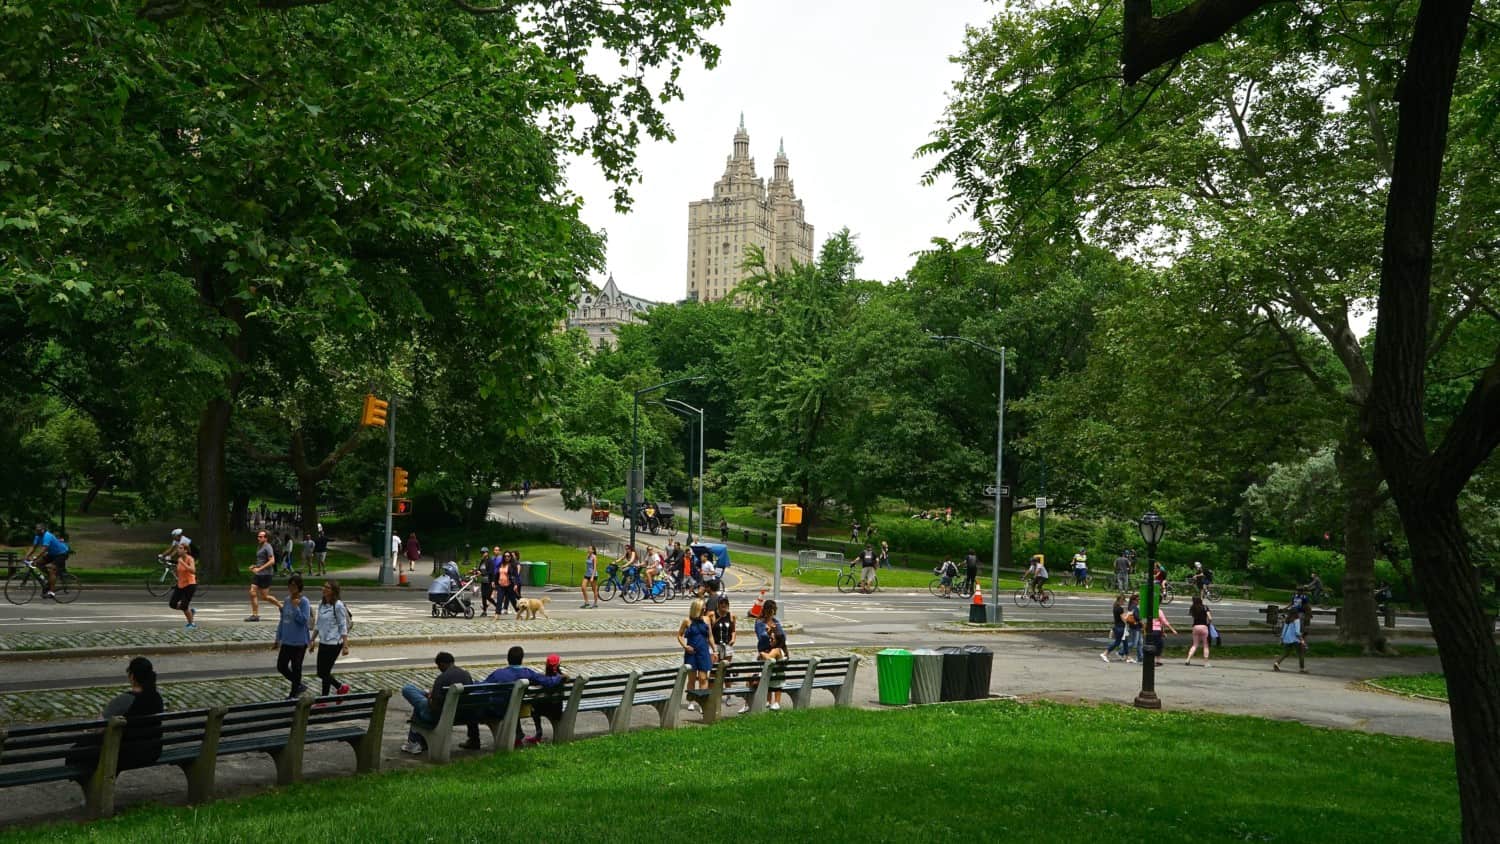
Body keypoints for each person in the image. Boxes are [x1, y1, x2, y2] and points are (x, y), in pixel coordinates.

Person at [67, 656, 165, 774]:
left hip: (125, 754)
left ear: (132, 676)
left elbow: (98, 727)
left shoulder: (124, 700)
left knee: (76, 752)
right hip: (152, 752)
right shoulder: (157, 698)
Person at [483, 646, 565, 747]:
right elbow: (547, 681)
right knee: (515, 703)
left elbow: (482, 687)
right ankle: (518, 735)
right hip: (517, 707)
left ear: (508, 659)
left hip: (500, 708)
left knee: (509, 703)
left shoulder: (498, 674)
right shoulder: (527, 673)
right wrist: (559, 677)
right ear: (521, 659)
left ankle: (517, 735)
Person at [401, 652, 479, 754]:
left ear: (442, 664)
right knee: (421, 697)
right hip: (464, 714)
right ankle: (474, 739)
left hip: (441, 715)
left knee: (408, 690)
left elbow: (434, 706)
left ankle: (415, 742)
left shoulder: (442, 678)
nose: (439, 669)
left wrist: (429, 699)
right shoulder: (466, 675)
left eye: (438, 666)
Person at [273, 574, 314, 698]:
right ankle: (298, 685)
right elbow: (283, 620)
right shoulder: (286, 600)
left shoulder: (304, 602)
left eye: (294, 586)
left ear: (299, 587)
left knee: (296, 667)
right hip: (287, 640)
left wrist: (296, 608)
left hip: (299, 641)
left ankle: (293, 693)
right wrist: (278, 637)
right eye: (290, 585)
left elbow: (304, 620)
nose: (292, 588)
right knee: (281, 666)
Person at [312, 580, 351, 697]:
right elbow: (318, 623)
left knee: (324, 672)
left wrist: (345, 645)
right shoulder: (321, 604)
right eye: (324, 587)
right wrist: (312, 639)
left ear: (333, 591)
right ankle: (339, 688)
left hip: (335, 643)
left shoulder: (338, 605)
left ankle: (325, 697)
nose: (324, 589)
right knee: (321, 672)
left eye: (327, 588)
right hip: (324, 641)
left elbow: (342, 625)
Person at [751, 599, 788, 712]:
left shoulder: (776, 621)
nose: (771, 613)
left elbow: (782, 637)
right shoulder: (759, 622)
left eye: (773, 611)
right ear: (765, 610)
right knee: (768, 672)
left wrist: (775, 631)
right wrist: (768, 633)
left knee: (774, 672)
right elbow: (761, 637)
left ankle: (775, 702)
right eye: (769, 611)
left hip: (772, 652)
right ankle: (767, 701)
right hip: (765, 650)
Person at [678, 599, 713, 711]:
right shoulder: (687, 621)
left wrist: (714, 649)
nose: (704, 608)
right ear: (696, 608)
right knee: (692, 679)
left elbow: (710, 636)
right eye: (702, 607)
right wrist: (685, 646)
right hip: (691, 653)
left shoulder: (707, 619)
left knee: (703, 678)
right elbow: (679, 635)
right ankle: (691, 701)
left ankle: (702, 701)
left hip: (703, 652)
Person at [23, 522, 70, 599]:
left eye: (39, 530)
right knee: (38, 564)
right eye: (36, 530)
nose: (37, 532)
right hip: (52, 554)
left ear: (43, 530)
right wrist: (26, 556)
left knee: (52, 569)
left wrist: (35, 557)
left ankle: (51, 592)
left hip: (61, 553)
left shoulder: (47, 536)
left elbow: (44, 549)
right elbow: (33, 547)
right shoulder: (37, 536)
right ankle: (50, 579)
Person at [246, 530, 283, 622]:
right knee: (252, 592)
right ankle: (255, 615)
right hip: (258, 574)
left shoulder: (268, 547)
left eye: (261, 536)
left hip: (266, 574)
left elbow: (272, 561)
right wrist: (255, 566)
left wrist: (260, 568)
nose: (258, 538)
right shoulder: (259, 546)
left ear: (266, 538)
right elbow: (261, 560)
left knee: (265, 597)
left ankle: (281, 606)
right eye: (258, 536)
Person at [170, 542, 197, 630]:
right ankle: (190, 612)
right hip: (180, 584)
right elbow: (179, 572)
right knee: (172, 604)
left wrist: (183, 563)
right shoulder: (179, 559)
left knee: (184, 605)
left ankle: (191, 624)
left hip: (190, 585)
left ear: (185, 550)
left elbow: (193, 571)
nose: (178, 550)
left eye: (181, 548)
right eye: (178, 548)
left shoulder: (190, 559)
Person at [1147, 595, 1179, 667]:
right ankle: (1156, 661)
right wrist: (1172, 630)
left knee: (1151, 645)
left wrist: (1163, 631)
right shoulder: (1159, 611)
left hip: (1149, 630)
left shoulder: (1149, 610)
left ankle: (1152, 660)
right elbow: (1164, 622)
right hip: (1156, 631)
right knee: (1158, 646)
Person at [1273, 608, 1307, 673]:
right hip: (1295, 639)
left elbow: (1284, 631)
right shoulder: (1297, 620)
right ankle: (1302, 669)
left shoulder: (1287, 620)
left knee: (1286, 653)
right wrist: (1302, 640)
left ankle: (1276, 663)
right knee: (1301, 654)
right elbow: (1297, 632)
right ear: (1297, 613)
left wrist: (1281, 639)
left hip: (1287, 638)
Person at [1184, 595, 1213, 667]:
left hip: (1195, 627)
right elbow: (1210, 618)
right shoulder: (1205, 607)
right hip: (1204, 627)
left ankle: (1188, 659)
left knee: (1195, 644)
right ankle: (1206, 663)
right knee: (1205, 645)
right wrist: (1209, 623)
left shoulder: (1193, 608)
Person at [1101, 594, 1128, 663]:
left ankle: (1126, 656)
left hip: (1117, 626)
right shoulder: (1120, 608)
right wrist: (1128, 620)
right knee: (1117, 642)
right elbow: (1123, 618)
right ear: (1120, 600)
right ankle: (1105, 653)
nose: (1124, 603)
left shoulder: (1115, 607)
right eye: (1123, 601)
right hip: (1120, 627)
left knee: (1125, 642)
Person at [712, 595, 736, 664]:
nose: (723, 604)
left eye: (725, 603)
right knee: (715, 668)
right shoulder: (712, 615)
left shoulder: (731, 616)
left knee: (726, 667)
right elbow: (709, 630)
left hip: (727, 644)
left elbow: (733, 630)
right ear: (718, 604)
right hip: (715, 644)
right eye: (721, 603)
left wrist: (733, 639)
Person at [1123, 592, 1143, 662]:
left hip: (1137, 627)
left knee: (1140, 643)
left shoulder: (1133, 606)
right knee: (1134, 643)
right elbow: (1137, 617)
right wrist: (1142, 623)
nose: (1139, 601)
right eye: (1138, 600)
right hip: (1135, 627)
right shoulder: (1133, 607)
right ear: (1134, 600)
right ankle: (1121, 651)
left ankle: (1140, 657)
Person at [476, 547, 495, 616]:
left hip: (489, 581)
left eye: (484, 552)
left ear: (487, 553)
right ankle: (484, 611)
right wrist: (475, 571)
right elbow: (479, 570)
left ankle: (497, 606)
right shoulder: (482, 561)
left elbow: (491, 572)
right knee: (483, 596)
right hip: (483, 581)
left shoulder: (490, 561)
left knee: (488, 596)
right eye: (482, 553)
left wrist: (493, 581)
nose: (483, 554)